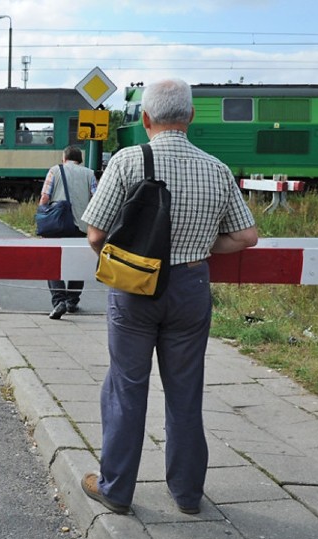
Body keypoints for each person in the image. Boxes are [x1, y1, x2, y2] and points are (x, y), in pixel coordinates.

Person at [79, 79, 258, 515]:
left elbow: (96, 234)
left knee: (126, 389)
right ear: (191, 117)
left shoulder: (127, 161)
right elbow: (247, 236)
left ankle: (117, 489)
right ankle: (188, 494)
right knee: (185, 393)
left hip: (136, 289)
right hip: (190, 289)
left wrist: (135, 258)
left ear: (145, 119)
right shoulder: (215, 168)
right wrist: (201, 248)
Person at [38, 145, 97, 319]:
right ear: (80, 159)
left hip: (57, 223)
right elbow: (96, 198)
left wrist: (42, 214)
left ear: (64, 158)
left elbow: (45, 197)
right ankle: (72, 301)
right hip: (81, 224)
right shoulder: (89, 173)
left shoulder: (55, 170)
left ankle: (59, 301)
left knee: (52, 261)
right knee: (78, 263)